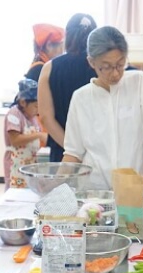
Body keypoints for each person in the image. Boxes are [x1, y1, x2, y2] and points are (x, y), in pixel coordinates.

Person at [63, 26, 143, 192]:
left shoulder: (138, 83)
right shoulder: (81, 98)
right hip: (98, 190)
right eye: (107, 67)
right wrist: (56, 187)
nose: (115, 74)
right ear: (91, 62)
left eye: (120, 64)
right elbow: (73, 153)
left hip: (139, 188)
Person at [37, 13, 98, 163]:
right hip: (98, 151)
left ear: (68, 36)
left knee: (64, 186)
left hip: (62, 152)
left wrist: (71, 149)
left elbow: (45, 117)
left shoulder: (49, 68)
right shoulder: (101, 67)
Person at [4, 79, 46, 190]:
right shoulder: (14, 114)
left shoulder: (32, 117)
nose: (37, 110)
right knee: (15, 195)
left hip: (29, 164)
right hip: (16, 165)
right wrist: (39, 135)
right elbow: (15, 140)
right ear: (23, 102)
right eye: (35, 106)